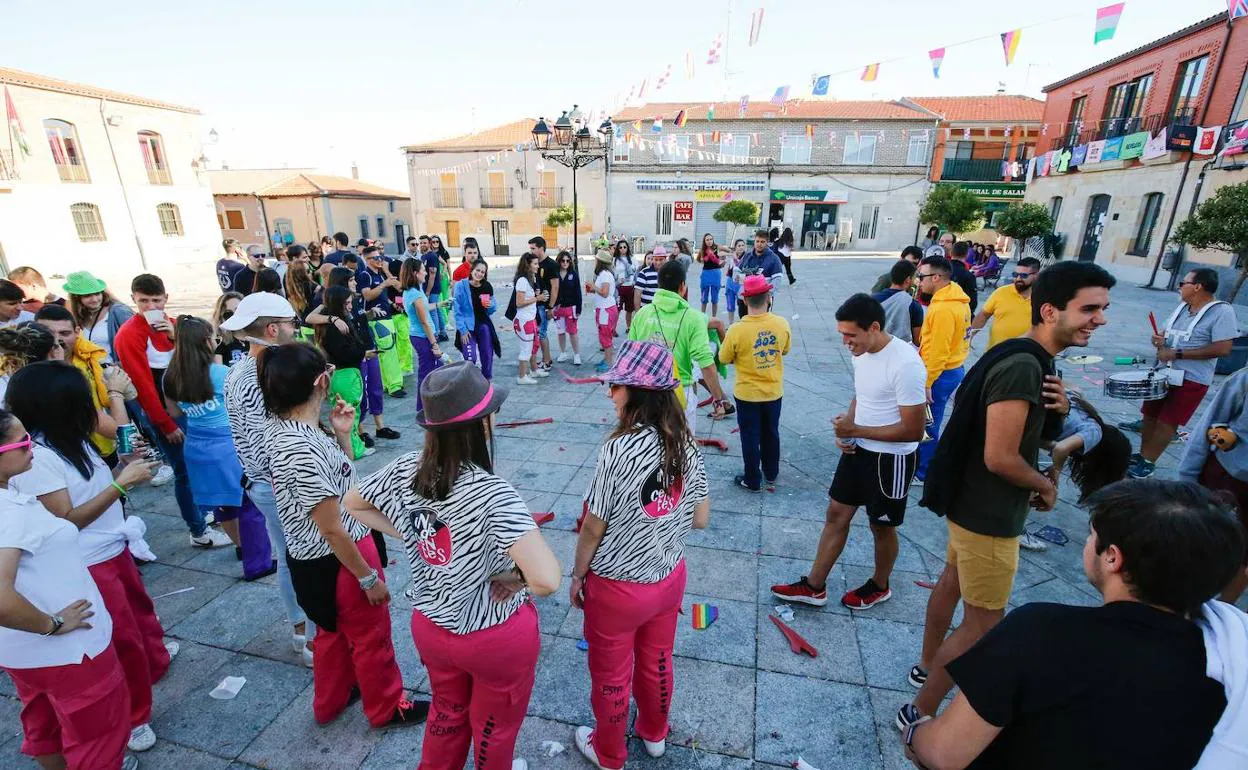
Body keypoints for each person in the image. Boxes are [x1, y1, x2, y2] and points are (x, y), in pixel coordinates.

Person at [900, 261, 1116, 730]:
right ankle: (919, 710)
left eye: (1103, 309)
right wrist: (1045, 485)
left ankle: (926, 666)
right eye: (1090, 309)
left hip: (969, 502)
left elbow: (1011, 433)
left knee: (952, 583)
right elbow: (1000, 456)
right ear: (1051, 311)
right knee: (984, 621)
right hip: (989, 512)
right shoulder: (1023, 365)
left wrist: (1054, 414)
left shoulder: (1028, 358)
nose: (1100, 319)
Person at [900, 480, 1243, 770]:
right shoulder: (1228, 669)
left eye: (1092, 535)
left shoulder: (1041, 631)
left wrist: (916, 734)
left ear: (1112, 556)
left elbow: (945, 754)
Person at [346, 362, 561, 770]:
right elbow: (547, 578)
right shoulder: (492, 492)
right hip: (492, 634)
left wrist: (414, 533)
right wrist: (515, 578)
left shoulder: (405, 467)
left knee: (446, 713)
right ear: (484, 422)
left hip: (431, 628)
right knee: (493, 727)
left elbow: (353, 503)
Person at [257, 342, 428, 730]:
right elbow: (332, 526)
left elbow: (337, 483)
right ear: (321, 381)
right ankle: (387, 706)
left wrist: (342, 436)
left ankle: (331, 700)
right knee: (371, 636)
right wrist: (367, 577)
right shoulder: (299, 448)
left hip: (313, 559)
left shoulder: (288, 430)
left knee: (331, 633)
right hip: (340, 560)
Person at [7, 362, 169, 756]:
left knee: (135, 625)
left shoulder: (70, 440)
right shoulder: (36, 458)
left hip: (112, 549)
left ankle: (144, 686)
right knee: (121, 641)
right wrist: (120, 484)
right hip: (90, 561)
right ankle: (131, 719)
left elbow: (87, 491)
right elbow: (68, 517)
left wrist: (120, 469)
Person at [571, 340, 710, 770]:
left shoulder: (617, 449)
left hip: (617, 586)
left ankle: (610, 752)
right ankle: (655, 733)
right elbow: (701, 518)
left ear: (638, 391)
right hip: (667, 577)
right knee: (657, 659)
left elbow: (594, 525)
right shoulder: (685, 443)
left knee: (612, 675)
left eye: (616, 385)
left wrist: (578, 576)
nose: (609, 392)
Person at [0, 408, 139, 770]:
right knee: (99, 738)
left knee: (44, 725)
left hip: (22, 652)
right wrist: (54, 624)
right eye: (21, 441)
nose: (32, 446)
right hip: (69, 652)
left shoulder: (12, 497)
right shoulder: (7, 513)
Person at [772, 293, 926, 610]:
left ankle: (880, 585)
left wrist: (855, 430)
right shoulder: (861, 353)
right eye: (842, 334)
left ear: (873, 327)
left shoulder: (907, 363)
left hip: (892, 459)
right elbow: (862, 394)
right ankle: (814, 586)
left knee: (881, 525)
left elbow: (913, 429)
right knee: (836, 514)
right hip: (859, 450)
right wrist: (850, 425)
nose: (845, 342)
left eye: (850, 335)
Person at [221, 292, 314, 666]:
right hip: (278, 485)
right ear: (273, 330)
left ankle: (303, 629)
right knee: (298, 557)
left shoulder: (247, 370)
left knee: (292, 554)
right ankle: (305, 635)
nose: (297, 330)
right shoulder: (256, 377)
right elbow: (269, 444)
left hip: (271, 483)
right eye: (292, 324)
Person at [113, 274, 229, 548]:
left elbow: (201, 360)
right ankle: (198, 530)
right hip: (166, 413)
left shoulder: (176, 326)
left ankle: (205, 511)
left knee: (200, 465)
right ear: (134, 300)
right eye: (144, 301)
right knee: (184, 471)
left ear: (166, 298)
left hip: (195, 408)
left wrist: (176, 338)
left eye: (156, 300)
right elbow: (141, 385)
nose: (150, 306)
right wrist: (165, 424)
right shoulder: (128, 334)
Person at [163, 316, 275, 580]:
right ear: (205, 341)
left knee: (222, 505)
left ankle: (241, 547)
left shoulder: (170, 376)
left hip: (197, 445)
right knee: (249, 504)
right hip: (227, 443)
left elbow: (173, 410)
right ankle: (257, 562)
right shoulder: (220, 373)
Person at [1120, 268, 1237, 479]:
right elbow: (1165, 334)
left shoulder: (1221, 311)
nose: (1179, 287)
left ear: (1198, 286)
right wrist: (1158, 340)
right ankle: (1143, 454)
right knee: (1149, 416)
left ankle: (1149, 462)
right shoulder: (1183, 308)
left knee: (1168, 421)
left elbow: (1223, 348)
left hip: (1192, 378)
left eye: (1183, 283)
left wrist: (1178, 353)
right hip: (1163, 373)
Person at [628, 261, 729, 431]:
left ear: (659, 285)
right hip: (681, 395)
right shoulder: (693, 318)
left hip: (647, 395)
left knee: (653, 451)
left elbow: (630, 357)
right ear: (683, 286)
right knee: (683, 450)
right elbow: (706, 363)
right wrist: (718, 400)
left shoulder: (642, 314)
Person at [33, 305, 135, 468]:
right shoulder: (51, 379)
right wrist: (116, 393)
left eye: (64, 333)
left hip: (102, 450)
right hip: (70, 460)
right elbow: (119, 432)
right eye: (49, 334)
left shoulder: (89, 358)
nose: (57, 340)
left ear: (77, 332)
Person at [1179, 364, 1248, 603]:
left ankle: (1221, 610)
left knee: (1245, 555)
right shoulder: (1243, 381)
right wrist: (1188, 479)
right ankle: (1182, 600)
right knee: (1201, 539)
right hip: (1227, 477)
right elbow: (1208, 427)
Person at [718, 276, 791, 492]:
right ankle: (771, 472)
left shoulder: (736, 330)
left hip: (747, 394)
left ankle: (752, 478)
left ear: (744, 300)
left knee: (750, 435)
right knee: (771, 432)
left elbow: (723, 358)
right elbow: (784, 350)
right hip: (773, 391)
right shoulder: (781, 323)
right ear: (769, 298)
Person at [913, 256, 972, 484]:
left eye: (921, 277)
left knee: (927, 423)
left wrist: (927, 383)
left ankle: (923, 472)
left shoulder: (944, 309)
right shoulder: (956, 297)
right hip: (951, 368)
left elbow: (938, 351)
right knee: (930, 421)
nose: (918, 282)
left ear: (936, 278)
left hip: (940, 373)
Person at [316, 286, 374, 461]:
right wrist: (363, 352)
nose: (350, 306)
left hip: (342, 374)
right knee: (351, 414)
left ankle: (352, 448)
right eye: (347, 303)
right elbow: (346, 352)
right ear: (337, 304)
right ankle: (355, 450)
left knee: (347, 412)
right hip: (345, 374)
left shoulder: (331, 324)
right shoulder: (336, 328)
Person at [356, 246, 407, 399]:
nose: (379, 260)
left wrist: (392, 304)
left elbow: (398, 287)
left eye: (380, 257)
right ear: (366, 259)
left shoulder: (380, 273)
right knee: (389, 351)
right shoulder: (365, 275)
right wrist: (384, 284)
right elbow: (368, 296)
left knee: (386, 352)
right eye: (375, 258)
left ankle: (387, 384)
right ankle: (395, 385)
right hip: (377, 319)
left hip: (385, 316)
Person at [399, 258, 443, 411]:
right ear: (415, 273)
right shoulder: (415, 295)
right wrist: (434, 344)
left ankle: (428, 406)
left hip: (422, 336)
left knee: (434, 371)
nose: (425, 272)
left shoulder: (412, 292)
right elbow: (424, 321)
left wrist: (439, 304)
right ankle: (424, 408)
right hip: (423, 338)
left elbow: (424, 308)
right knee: (426, 374)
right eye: (423, 269)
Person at [970, 257, 1039, 350]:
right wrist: (969, 337)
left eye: (1023, 275)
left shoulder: (1043, 298)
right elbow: (983, 315)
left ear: (1036, 275)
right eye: (1015, 274)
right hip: (996, 353)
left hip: (1025, 355)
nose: (1018, 278)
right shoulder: (1001, 292)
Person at [64, 272, 134, 363]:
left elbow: (137, 343)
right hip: (91, 374)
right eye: (87, 295)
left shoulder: (119, 311)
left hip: (117, 373)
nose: (94, 299)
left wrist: (122, 365)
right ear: (77, 298)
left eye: (97, 294)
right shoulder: (77, 316)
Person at [453, 259, 499, 381]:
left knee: (487, 354)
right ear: (472, 270)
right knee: (470, 357)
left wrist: (491, 306)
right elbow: (457, 311)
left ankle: (486, 380)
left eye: (483, 272)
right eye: (478, 270)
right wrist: (462, 330)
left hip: (483, 323)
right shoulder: (461, 286)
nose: (480, 274)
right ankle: (470, 381)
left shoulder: (487, 286)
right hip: (467, 326)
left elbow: (492, 308)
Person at [511, 253, 548, 385]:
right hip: (524, 320)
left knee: (534, 345)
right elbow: (519, 302)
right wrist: (536, 298)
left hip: (530, 319)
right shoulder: (522, 280)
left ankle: (534, 370)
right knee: (526, 349)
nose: (538, 266)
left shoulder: (530, 279)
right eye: (535, 264)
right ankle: (522, 377)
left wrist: (535, 296)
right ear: (528, 265)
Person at [871, 260, 924, 345]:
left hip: (873, 348)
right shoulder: (913, 305)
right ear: (907, 280)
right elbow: (917, 340)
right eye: (914, 278)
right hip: (899, 352)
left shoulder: (871, 300)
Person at [735, 230, 784, 319]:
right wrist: (740, 279)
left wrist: (767, 295)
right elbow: (736, 271)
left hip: (762, 301)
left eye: (762, 242)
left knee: (759, 326)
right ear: (754, 241)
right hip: (744, 299)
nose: (759, 244)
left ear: (767, 243)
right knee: (744, 323)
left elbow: (777, 280)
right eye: (757, 241)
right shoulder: (747, 256)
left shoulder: (774, 258)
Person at [528, 236, 559, 374]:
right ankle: (545, 359)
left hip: (544, 305)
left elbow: (555, 287)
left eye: (533, 248)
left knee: (541, 333)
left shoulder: (550, 264)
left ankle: (547, 361)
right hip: (536, 303)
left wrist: (550, 307)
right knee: (539, 333)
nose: (531, 250)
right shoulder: (533, 262)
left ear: (541, 248)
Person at [588, 251, 619, 374]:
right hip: (605, 308)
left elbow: (605, 293)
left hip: (605, 310)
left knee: (605, 336)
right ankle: (606, 359)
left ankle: (609, 362)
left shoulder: (605, 275)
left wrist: (593, 287)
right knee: (605, 334)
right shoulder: (605, 274)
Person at [552, 250, 583, 365]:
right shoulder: (554, 274)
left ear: (570, 262)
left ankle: (576, 354)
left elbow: (578, 292)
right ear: (559, 261)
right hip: (558, 308)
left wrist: (579, 308)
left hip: (571, 307)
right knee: (560, 331)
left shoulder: (573, 274)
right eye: (562, 260)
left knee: (573, 332)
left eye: (567, 261)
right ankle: (563, 352)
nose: (565, 263)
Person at [211, 292, 249, 366]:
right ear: (222, 318)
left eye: (238, 311)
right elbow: (220, 374)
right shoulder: (220, 344)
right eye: (228, 314)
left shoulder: (258, 337)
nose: (235, 317)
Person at [696, 233, 727, 317]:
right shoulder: (702, 250)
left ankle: (714, 317)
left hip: (716, 274)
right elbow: (698, 260)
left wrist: (723, 259)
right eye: (707, 240)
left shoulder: (718, 247)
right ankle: (702, 317)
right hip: (706, 274)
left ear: (713, 240)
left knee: (714, 298)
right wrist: (704, 259)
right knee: (704, 298)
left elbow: (728, 251)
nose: (709, 241)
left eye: (710, 239)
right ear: (704, 241)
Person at [283, 246, 317, 321]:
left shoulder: (307, 271)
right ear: (295, 259)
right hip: (308, 319)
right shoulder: (292, 277)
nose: (308, 259)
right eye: (304, 257)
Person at [611, 240, 638, 331]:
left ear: (627, 248)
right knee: (617, 310)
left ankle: (629, 327)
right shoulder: (615, 260)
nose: (623, 249)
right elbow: (612, 273)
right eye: (620, 247)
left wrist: (634, 281)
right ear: (618, 249)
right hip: (619, 288)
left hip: (630, 287)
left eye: (624, 247)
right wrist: (617, 281)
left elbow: (637, 271)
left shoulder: (632, 258)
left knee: (629, 310)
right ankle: (613, 329)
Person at [948, 241, 979, 314]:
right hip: (958, 313)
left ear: (951, 252)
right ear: (967, 254)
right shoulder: (969, 276)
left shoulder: (940, 269)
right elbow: (972, 302)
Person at [724, 239, 746, 323]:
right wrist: (731, 254)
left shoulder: (747, 257)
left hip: (741, 284)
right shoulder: (732, 256)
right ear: (735, 247)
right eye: (739, 246)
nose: (741, 247)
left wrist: (736, 258)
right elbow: (720, 253)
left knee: (742, 306)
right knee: (730, 305)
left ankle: (743, 324)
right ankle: (731, 324)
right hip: (730, 283)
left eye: (742, 245)